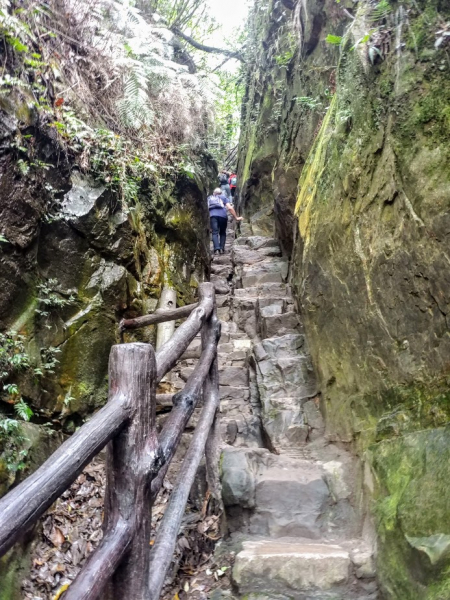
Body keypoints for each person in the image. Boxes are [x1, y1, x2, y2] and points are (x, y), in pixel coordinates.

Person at [208, 188, 243, 255]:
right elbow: (229, 208)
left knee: (214, 233)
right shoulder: (223, 197)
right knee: (223, 232)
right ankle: (221, 249)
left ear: (213, 193)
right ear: (221, 193)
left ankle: (216, 249)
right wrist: (236, 217)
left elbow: (206, 209)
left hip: (212, 216)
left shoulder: (209, 198)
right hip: (223, 216)